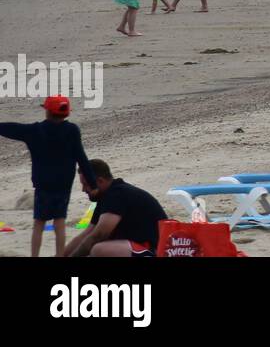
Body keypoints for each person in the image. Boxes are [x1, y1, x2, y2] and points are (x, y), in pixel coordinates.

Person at [0, 95, 96, 258]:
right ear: (67, 113)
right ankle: (60, 256)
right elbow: (82, 158)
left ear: (47, 112)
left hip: (43, 184)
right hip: (63, 184)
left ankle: (35, 256)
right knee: (59, 222)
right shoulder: (72, 131)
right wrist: (93, 185)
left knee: (39, 223)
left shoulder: (35, 131)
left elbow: (13, 128)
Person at [65, 159, 167, 258]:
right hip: (138, 246)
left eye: (86, 185)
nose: (83, 190)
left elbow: (99, 235)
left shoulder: (117, 194)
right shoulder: (105, 197)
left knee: (99, 250)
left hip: (156, 249)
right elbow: (85, 235)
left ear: (100, 181)